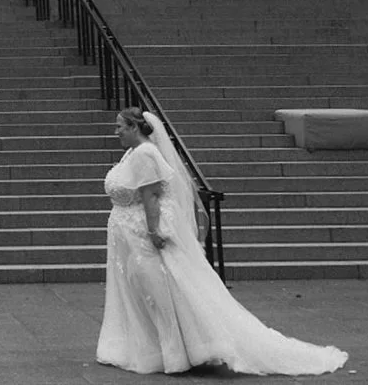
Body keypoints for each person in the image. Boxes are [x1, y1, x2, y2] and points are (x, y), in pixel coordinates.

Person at [97, 107, 349, 376]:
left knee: (162, 290)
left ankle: (180, 349)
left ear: (134, 127)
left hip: (145, 236)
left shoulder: (145, 154)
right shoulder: (133, 152)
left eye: (120, 126)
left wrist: (153, 231)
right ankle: (161, 346)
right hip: (130, 235)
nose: (116, 131)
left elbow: (151, 196)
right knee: (149, 289)